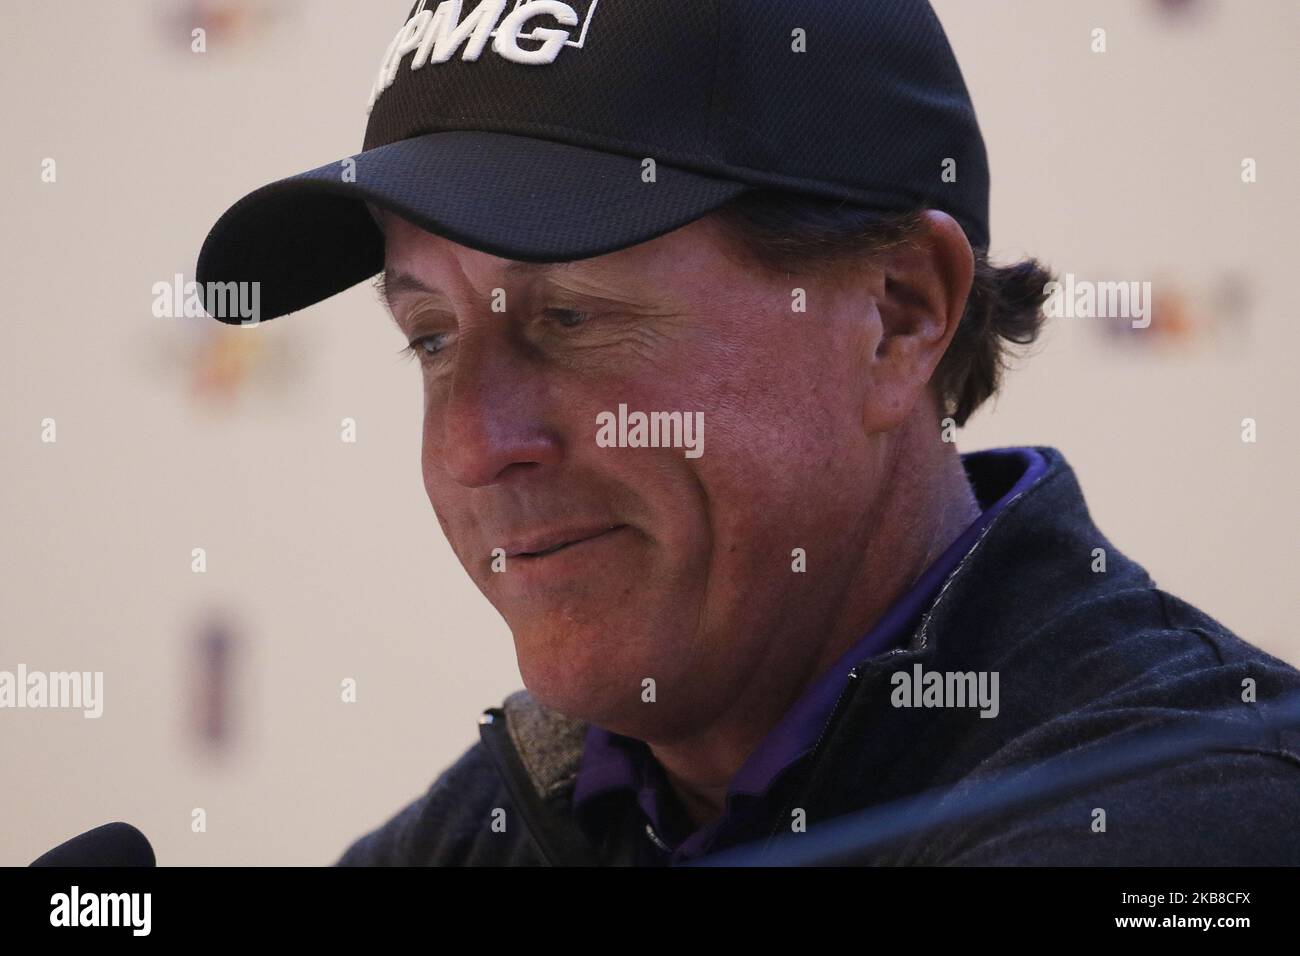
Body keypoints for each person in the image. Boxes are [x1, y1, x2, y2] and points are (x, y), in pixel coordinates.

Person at [196, 0, 1300, 866]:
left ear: (897, 312)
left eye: (572, 317)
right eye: (431, 337)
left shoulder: (1193, 816)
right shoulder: (513, 812)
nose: (474, 448)